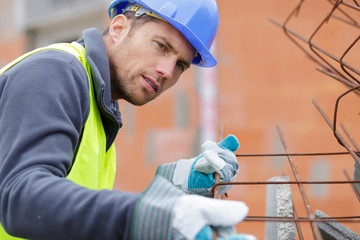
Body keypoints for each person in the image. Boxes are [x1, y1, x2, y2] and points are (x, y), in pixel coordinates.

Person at [0, 0, 256, 239]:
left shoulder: (100, 107)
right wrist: (142, 215)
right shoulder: (55, 71)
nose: (167, 71)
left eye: (180, 65)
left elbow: (71, 216)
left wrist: (174, 188)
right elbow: (20, 199)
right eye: (161, 46)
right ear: (119, 27)